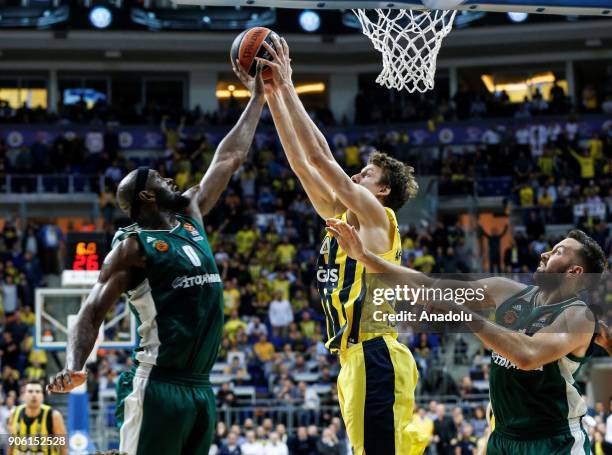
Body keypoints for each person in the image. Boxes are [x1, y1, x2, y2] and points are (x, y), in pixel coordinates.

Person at [46, 62, 267, 455]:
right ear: (145, 197)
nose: (169, 178)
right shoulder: (132, 248)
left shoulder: (191, 216)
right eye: (157, 178)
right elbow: (91, 310)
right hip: (157, 383)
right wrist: (76, 364)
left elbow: (229, 157)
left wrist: (259, 97)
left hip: (200, 385)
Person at [260, 36, 425, 455]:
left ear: (383, 190)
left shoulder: (375, 218)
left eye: (367, 174)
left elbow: (321, 159)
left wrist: (289, 84)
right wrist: (272, 95)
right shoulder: (340, 219)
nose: (356, 175)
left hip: (375, 353)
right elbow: (301, 164)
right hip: (353, 359)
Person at [326, 218, 606, 455]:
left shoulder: (577, 315)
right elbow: (427, 287)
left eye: (558, 251)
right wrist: (364, 255)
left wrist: (462, 312)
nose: (545, 254)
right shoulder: (506, 291)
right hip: (504, 437)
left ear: (575, 272)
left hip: (554, 440)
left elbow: (527, 356)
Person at [8, 380, 68, 455]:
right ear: (23, 395)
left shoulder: (53, 416)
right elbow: (11, 443)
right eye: (30, 391)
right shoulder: (14, 413)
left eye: (38, 391)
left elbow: (63, 448)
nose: (34, 395)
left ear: (42, 396)